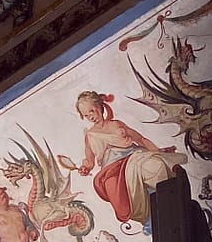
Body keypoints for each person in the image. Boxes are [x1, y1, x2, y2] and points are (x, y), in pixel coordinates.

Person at [67, 90, 183, 230]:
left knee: (157, 167)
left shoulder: (116, 124)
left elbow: (140, 139)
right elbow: (89, 160)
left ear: (100, 106)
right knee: (123, 198)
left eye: (91, 111)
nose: (90, 117)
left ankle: (170, 208)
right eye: (86, 115)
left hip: (134, 157)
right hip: (112, 171)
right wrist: (85, 167)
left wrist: (157, 151)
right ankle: (152, 222)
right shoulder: (90, 135)